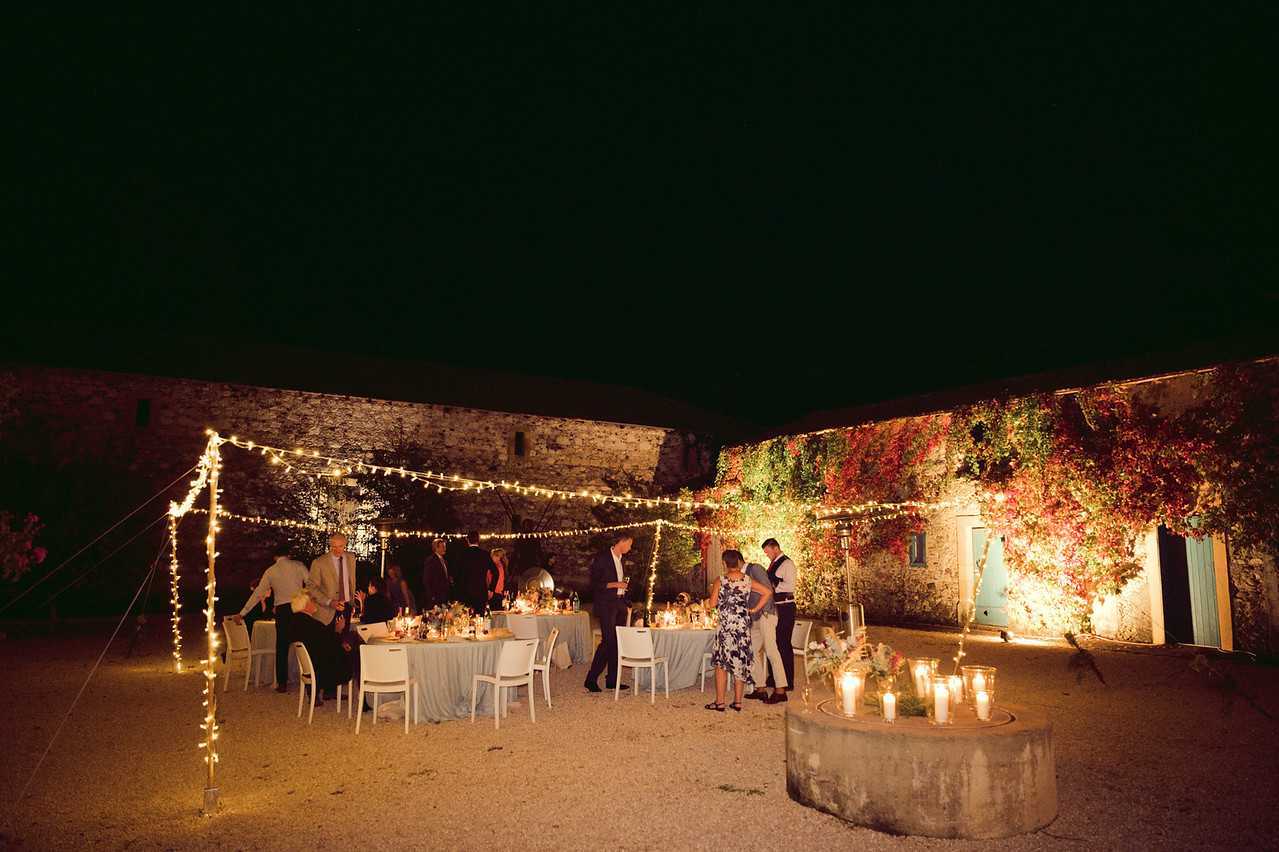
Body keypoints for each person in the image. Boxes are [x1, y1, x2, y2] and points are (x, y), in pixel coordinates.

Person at [231, 543, 308, 692]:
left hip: (282, 610)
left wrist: (243, 612)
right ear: (289, 555)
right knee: (303, 644)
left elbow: (258, 593)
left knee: (282, 646)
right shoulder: (299, 565)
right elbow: (311, 584)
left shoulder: (270, 571)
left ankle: (282, 683)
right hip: (300, 607)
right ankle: (308, 679)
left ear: (275, 557)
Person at [706, 550, 772, 712]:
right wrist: (754, 608)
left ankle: (720, 702)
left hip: (726, 627)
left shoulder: (720, 580)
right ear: (738, 562)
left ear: (724, 563)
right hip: (742, 627)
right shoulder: (747, 580)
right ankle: (737, 702)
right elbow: (767, 592)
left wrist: (712, 597)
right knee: (740, 663)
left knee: (721, 665)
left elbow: (712, 604)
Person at [583, 532, 634, 693]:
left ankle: (612, 679)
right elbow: (595, 584)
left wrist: (625, 601)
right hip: (606, 605)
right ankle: (591, 679)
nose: (630, 548)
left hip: (619, 604)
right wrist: (615, 584)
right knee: (607, 642)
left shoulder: (621, 560)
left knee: (617, 643)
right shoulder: (602, 558)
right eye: (630, 544)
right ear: (622, 541)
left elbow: (621, 584)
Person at [289, 590, 353, 704]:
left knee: (339, 650)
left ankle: (323, 692)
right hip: (320, 666)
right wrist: (338, 631)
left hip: (310, 665)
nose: (316, 603)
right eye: (313, 601)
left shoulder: (295, 622)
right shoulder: (312, 624)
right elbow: (327, 642)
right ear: (305, 605)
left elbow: (323, 641)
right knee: (351, 654)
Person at [742, 559, 788, 703]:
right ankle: (760, 688)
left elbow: (768, 590)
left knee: (771, 650)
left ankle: (781, 691)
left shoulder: (754, 568)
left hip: (765, 614)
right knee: (752, 651)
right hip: (755, 617)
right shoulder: (742, 575)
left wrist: (764, 612)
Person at [762, 538, 797, 702]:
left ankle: (787, 681)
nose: (767, 555)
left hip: (785, 607)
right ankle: (774, 678)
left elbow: (790, 586)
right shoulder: (775, 563)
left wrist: (772, 586)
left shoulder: (787, 564)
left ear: (775, 548)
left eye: (768, 551)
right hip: (775, 607)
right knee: (773, 642)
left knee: (783, 643)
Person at [308, 533, 356, 628]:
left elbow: (351, 581)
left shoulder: (351, 557)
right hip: (326, 612)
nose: (337, 550)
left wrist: (352, 603)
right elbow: (311, 587)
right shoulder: (319, 562)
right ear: (330, 546)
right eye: (334, 547)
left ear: (345, 545)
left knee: (344, 641)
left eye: (340, 546)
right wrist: (329, 602)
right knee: (328, 642)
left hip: (347, 607)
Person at [456, 531, 491, 614]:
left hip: (465, 592)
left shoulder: (462, 554)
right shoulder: (485, 554)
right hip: (481, 591)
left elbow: (457, 574)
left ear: (467, 540)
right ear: (478, 540)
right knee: (480, 617)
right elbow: (495, 572)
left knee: (466, 618)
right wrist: (491, 589)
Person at [421, 538, 451, 609]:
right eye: (442, 547)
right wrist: (432, 596)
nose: (445, 548)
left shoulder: (444, 561)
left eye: (445, 546)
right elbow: (426, 580)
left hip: (444, 596)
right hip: (436, 596)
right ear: (436, 548)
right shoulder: (431, 560)